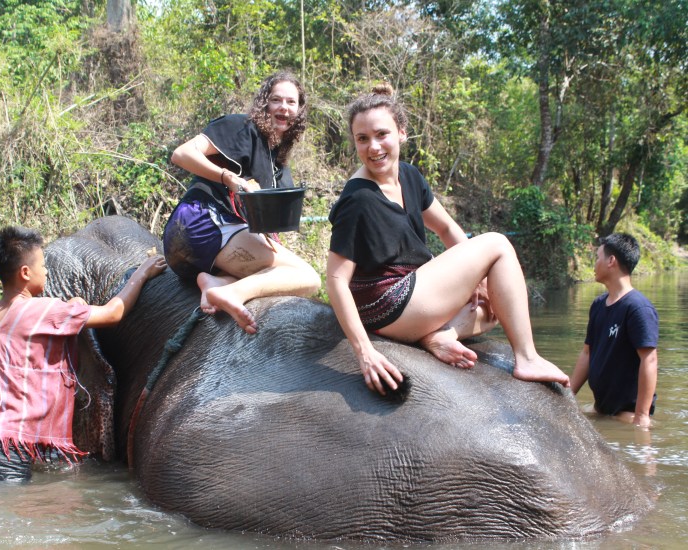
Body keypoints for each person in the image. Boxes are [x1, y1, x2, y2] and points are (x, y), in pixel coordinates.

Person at [326, 84, 570, 395]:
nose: (373, 147)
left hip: (412, 297)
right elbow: (335, 278)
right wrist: (365, 352)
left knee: (495, 307)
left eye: (381, 134)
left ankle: (438, 335)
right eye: (363, 139)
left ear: (401, 132)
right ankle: (527, 357)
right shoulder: (358, 199)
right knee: (497, 244)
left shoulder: (410, 176)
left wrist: (480, 281)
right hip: (384, 303)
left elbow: (447, 230)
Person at [0, 226, 166, 481]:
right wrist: (141, 273)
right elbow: (112, 314)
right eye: (42, 266)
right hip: (5, 450)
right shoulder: (43, 309)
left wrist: (70, 308)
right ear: (25, 273)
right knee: (9, 519)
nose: (46, 271)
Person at [163, 71, 321, 334]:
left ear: (299, 111)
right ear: (264, 104)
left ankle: (215, 282)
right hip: (202, 222)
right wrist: (228, 178)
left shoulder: (279, 165)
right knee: (309, 278)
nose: (283, 107)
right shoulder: (241, 127)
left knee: (279, 275)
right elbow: (181, 154)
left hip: (210, 252)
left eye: (291, 102)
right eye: (276, 100)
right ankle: (232, 293)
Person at [570, 233, 658, 428]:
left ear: (611, 261)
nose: (594, 264)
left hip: (627, 415)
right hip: (601, 409)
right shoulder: (598, 305)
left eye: (597, 257)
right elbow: (587, 352)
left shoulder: (638, 308)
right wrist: (567, 395)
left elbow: (649, 359)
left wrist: (642, 417)